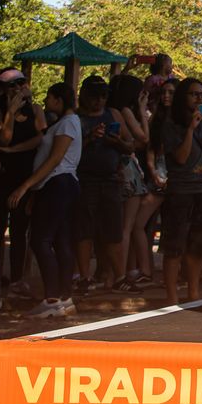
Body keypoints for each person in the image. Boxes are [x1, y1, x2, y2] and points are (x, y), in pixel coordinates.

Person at [8, 82, 80, 318]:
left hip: (59, 182)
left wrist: (26, 185)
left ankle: (52, 297)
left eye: (49, 97)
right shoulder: (58, 124)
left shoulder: (69, 122)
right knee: (59, 240)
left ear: (59, 100)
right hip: (52, 185)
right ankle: (63, 296)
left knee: (41, 240)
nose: (46, 102)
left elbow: (55, 158)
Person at [153, 78, 202, 306]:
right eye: (193, 94)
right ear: (183, 97)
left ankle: (193, 293)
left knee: (198, 247)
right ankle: (172, 296)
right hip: (181, 191)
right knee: (174, 246)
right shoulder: (172, 124)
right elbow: (181, 158)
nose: (199, 99)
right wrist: (191, 129)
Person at [0, 68, 45, 296]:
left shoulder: (36, 110)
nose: (18, 88)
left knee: (20, 230)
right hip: (3, 176)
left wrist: (12, 150)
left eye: (21, 83)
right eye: (12, 85)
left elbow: (40, 138)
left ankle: (18, 278)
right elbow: (3, 137)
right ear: (2, 89)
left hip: (26, 176)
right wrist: (10, 112)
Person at [72, 76, 133, 295]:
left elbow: (130, 144)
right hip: (85, 179)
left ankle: (119, 276)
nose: (99, 101)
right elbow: (67, 150)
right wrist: (88, 138)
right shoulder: (76, 118)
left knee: (113, 230)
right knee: (84, 230)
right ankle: (84, 277)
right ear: (85, 96)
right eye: (95, 96)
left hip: (110, 179)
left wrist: (116, 142)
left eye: (103, 96)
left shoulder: (113, 114)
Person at [107, 74, 155, 291]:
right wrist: (143, 111)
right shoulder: (125, 111)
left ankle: (114, 273)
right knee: (125, 227)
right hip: (128, 168)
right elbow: (143, 138)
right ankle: (121, 274)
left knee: (120, 225)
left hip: (118, 167)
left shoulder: (111, 110)